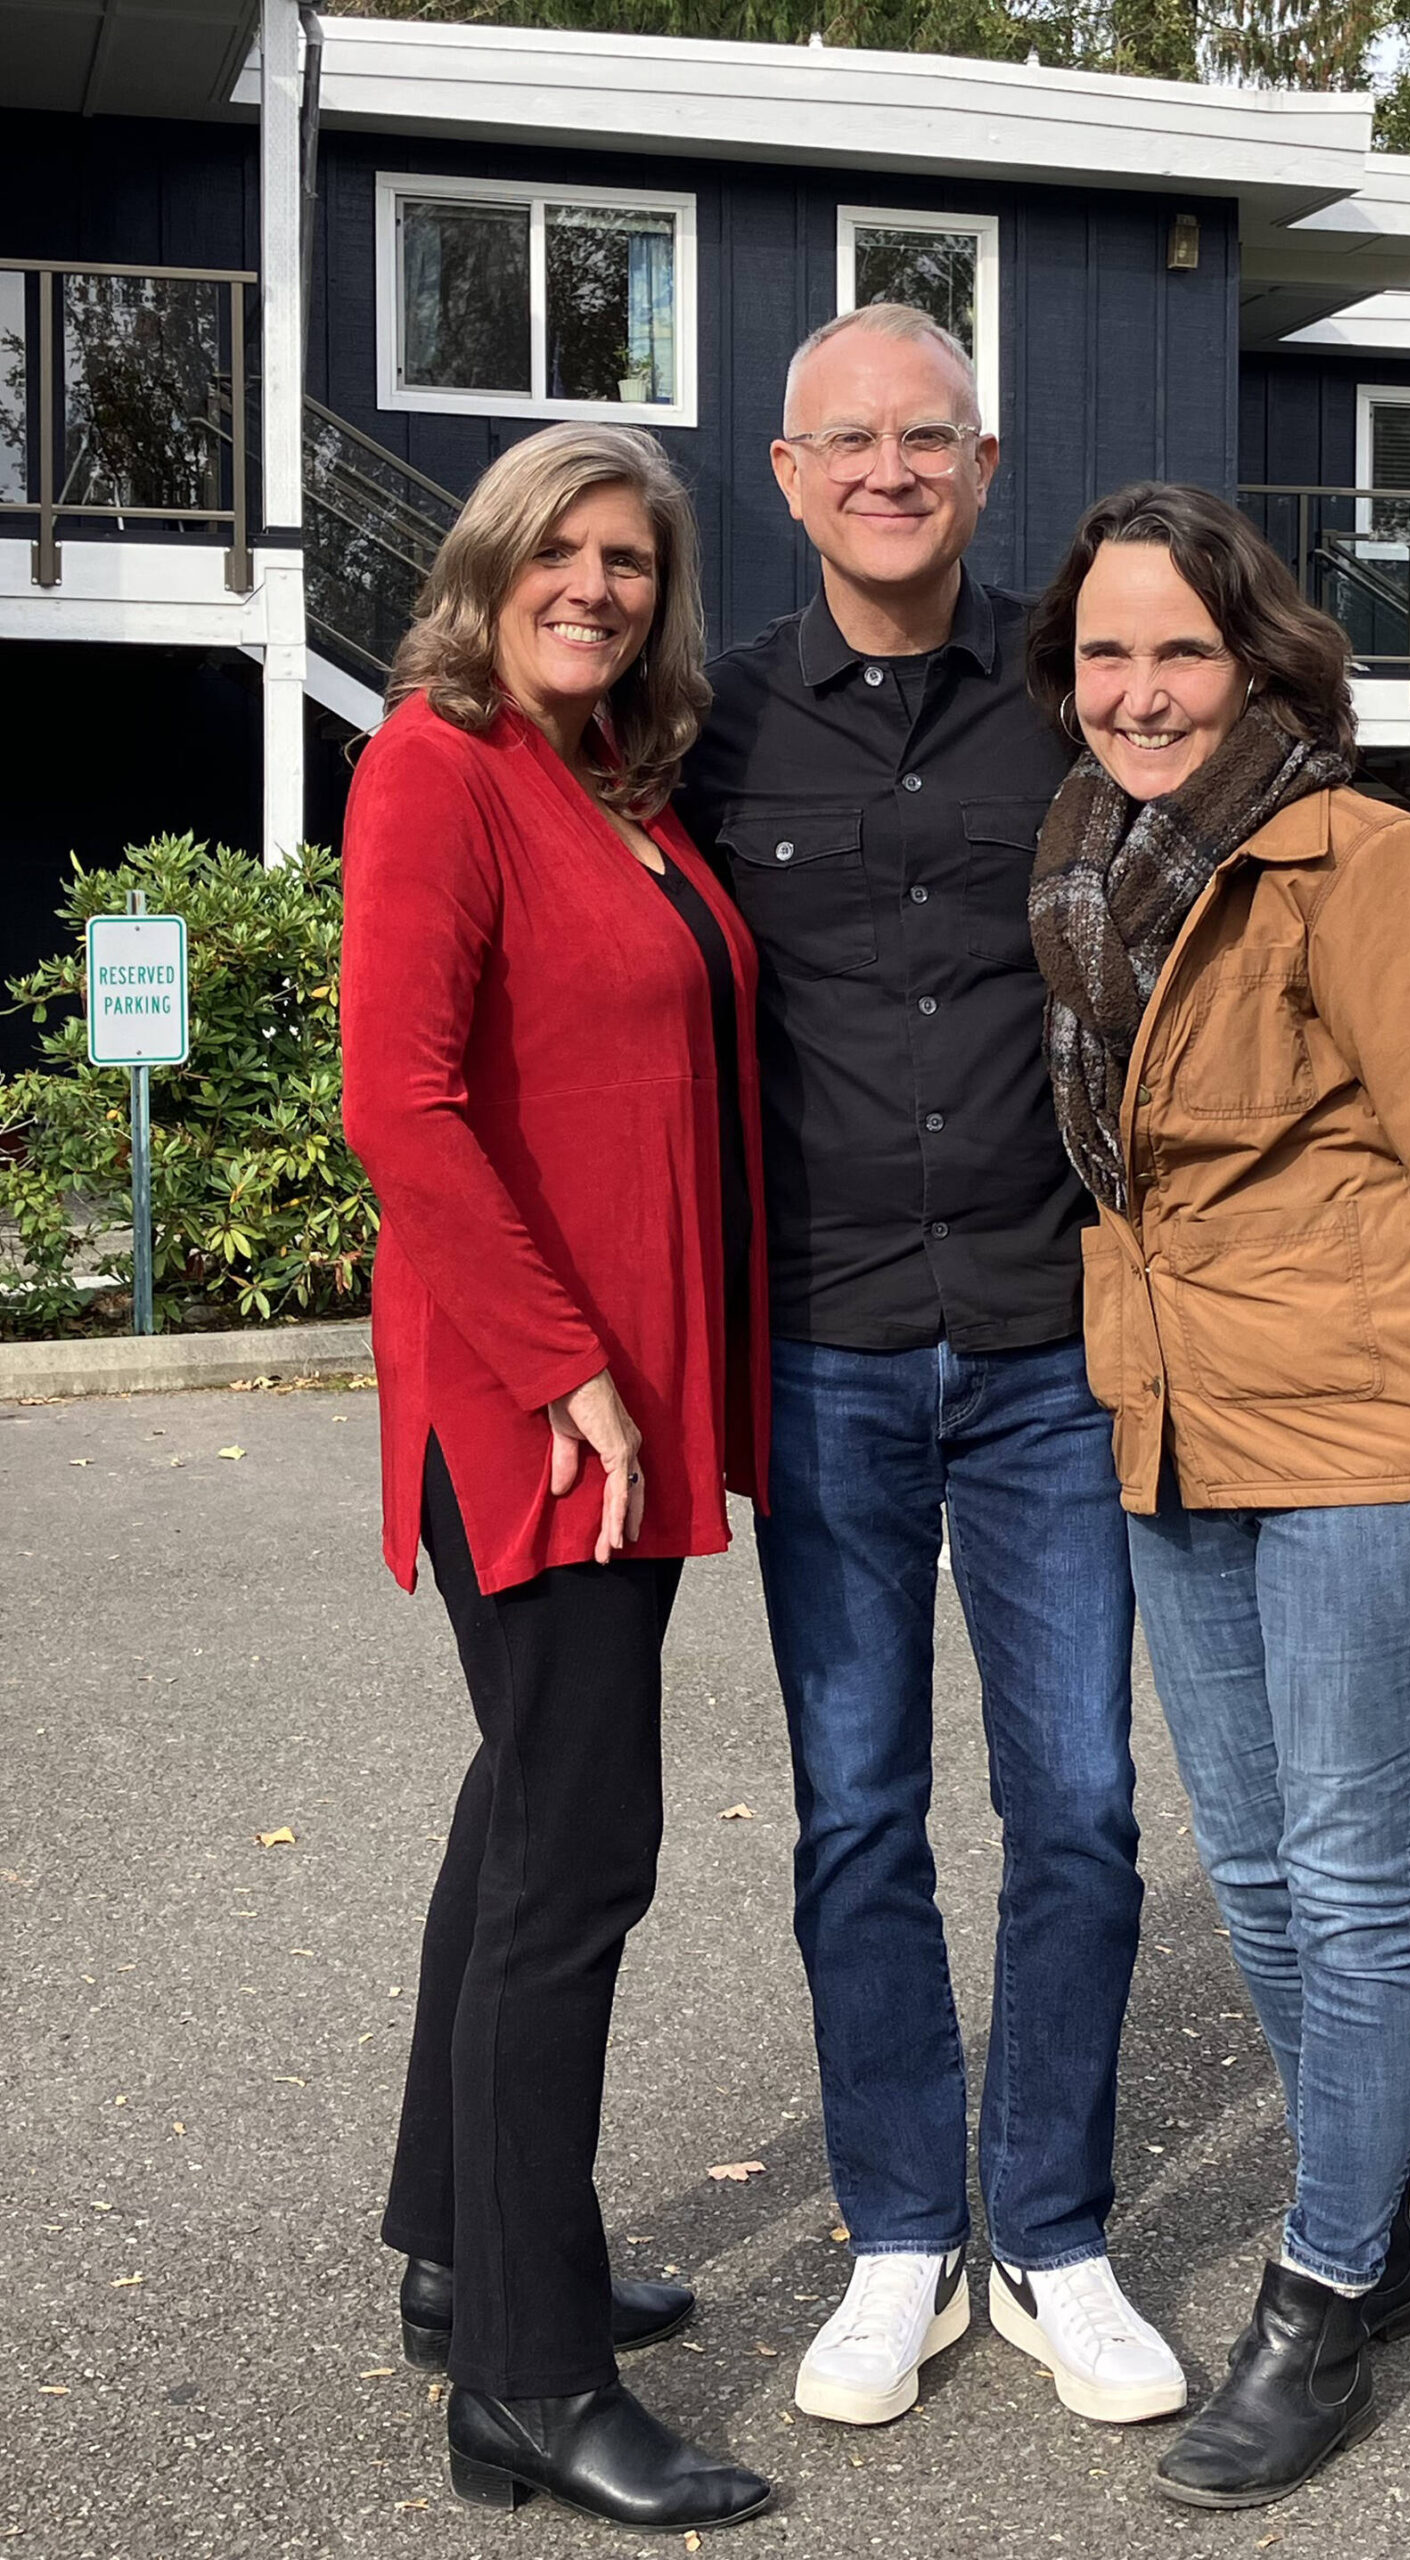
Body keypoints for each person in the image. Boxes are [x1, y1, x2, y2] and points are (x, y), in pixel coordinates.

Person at [1025, 482, 1410, 2512]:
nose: (1140, 690)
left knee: (1352, 1885)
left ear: (1258, 662)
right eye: (1106, 652)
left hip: (1377, 1438)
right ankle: (1370, 2214)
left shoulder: (1347, 857)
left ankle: (1323, 2282)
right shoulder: (1086, 868)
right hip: (1178, 1435)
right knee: (1263, 1877)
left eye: (1180, 649)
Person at [675, 307, 1185, 2431]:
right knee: (856, 1807)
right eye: (844, 441)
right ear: (784, 479)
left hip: (1056, 1337)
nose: (887, 469)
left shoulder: (1077, 710)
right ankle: (905, 2230)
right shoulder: (699, 734)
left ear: (982, 470)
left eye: (927, 438)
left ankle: (1053, 2231)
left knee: (1073, 1802)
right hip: (825, 1348)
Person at [340, 422, 773, 2533]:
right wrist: (571, 1370)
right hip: (539, 1407)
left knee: (523, 1803)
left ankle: (463, 2241)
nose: (598, 582)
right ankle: (525, 2374)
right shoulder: (436, 760)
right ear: (493, 561)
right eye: (563, 549)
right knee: (574, 1858)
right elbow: (399, 1107)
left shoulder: (610, 783)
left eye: (631, 557)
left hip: (623, 1392)